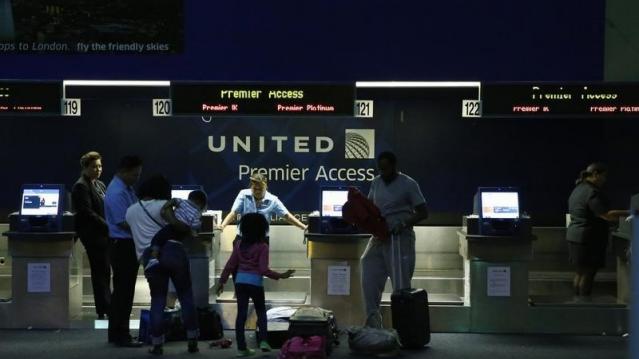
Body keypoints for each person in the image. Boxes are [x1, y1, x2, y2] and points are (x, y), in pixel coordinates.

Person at [126, 176, 203, 355]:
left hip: (149, 258)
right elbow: (182, 226)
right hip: (174, 251)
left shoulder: (130, 211)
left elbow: (128, 228)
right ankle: (192, 339)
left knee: (158, 300)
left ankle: (157, 344)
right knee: (185, 296)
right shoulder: (165, 206)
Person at [360, 151, 428, 328]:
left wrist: (403, 223)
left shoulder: (408, 184)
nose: (383, 172)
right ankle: (373, 323)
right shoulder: (376, 182)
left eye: (386, 168)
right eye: (380, 169)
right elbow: (370, 207)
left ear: (394, 166)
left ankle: (404, 328)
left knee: (400, 285)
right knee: (367, 266)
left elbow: (423, 212)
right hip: (379, 236)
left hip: (400, 238)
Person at [214, 213, 295, 357]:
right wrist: (281, 275)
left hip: (240, 282)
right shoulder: (262, 246)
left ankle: (241, 348)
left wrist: (222, 281)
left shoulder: (239, 245)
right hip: (255, 283)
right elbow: (263, 269)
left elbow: (230, 265)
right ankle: (264, 341)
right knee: (261, 311)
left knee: (241, 314)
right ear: (262, 229)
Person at [567, 162, 629, 298]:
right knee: (588, 273)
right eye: (604, 176)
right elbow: (605, 214)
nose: (604, 180)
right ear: (595, 174)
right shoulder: (592, 192)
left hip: (575, 237)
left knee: (579, 272)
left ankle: (577, 304)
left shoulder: (577, 189)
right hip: (589, 239)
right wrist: (630, 213)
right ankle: (584, 306)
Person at [104, 155, 143, 347]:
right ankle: (121, 335)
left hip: (127, 245)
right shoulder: (117, 192)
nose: (137, 178)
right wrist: (144, 225)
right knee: (123, 293)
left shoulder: (126, 188)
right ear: (125, 171)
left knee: (124, 292)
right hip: (122, 245)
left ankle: (118, 333)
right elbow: (123, 221)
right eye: (135, 174)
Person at [71, 151, 110, 319]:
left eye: (100, 166)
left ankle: (107, 305)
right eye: (94, 166)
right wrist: (107, 225)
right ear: (85, 167)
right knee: (100, 271)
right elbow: (86, 212)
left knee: (105, 270)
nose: (98, 169)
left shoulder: (99, 184)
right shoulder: (81, 186)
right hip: (93, 234)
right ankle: (103, 308)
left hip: (103, 233)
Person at [217, 173, 307, 242]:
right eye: (254, 189)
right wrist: (222, 226)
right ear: (251, 186)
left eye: (260, 189)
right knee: (239, 265)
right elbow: (234, 212)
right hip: (242, 237)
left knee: (260, 266)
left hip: (262, 239)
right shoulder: (243, 194)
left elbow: (287, 216)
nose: (257, 191)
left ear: (266, 187)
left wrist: (304, 227)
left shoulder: (273, 200)